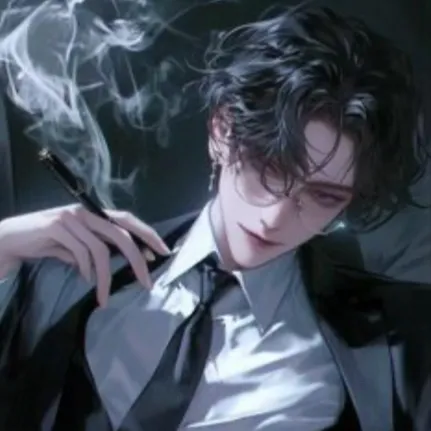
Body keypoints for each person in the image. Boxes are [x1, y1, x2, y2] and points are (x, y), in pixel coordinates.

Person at [0, 4, 430, 431]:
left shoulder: (403, 336)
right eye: (270, 167)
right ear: (222, 130)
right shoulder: (62, 274)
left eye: (323, 196)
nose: (274, 217)